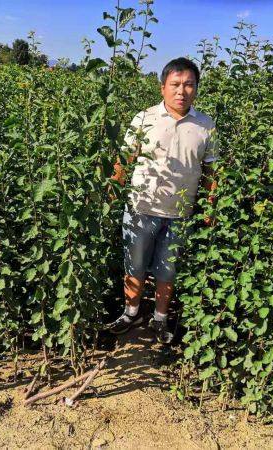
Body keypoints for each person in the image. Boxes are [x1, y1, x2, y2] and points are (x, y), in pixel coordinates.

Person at [106, 57, 219, 344]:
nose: (182, 91)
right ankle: (131, 313)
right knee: (135, 264)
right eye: (176, 84)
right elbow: (124, 160)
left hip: (181, 212)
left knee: (168, 269)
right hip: (141, 207)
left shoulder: (206, 126)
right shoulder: (144, 119)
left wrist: (211, 204)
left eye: (189, 85)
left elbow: (211, 171)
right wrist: (110, 194)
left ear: (197, 88)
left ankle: (159, 319)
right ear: (163, 88)